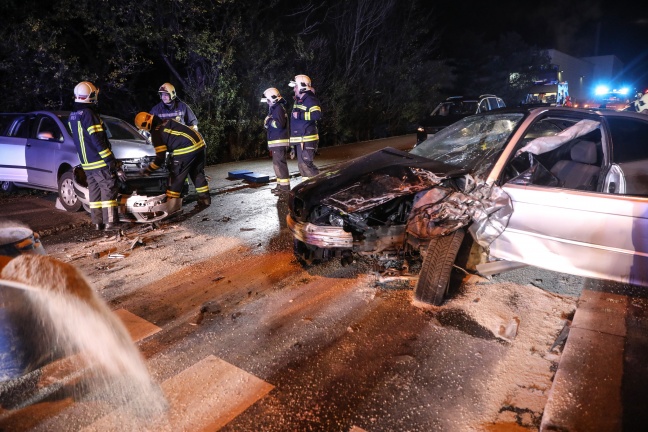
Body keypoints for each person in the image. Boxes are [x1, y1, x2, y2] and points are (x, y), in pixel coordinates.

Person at [68, 81, 125, 231]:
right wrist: (110, 159)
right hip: (98, 161)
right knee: (108, 188)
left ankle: (97, 222)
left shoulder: (73, 116)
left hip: (86, 163)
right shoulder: (88, 114)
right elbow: (97, 140)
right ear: (91, 96)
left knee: (95, 192)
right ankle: (111, 223)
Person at [134, 112, 210, 210]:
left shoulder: (156, 133)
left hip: (186, 148)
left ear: (145, 126)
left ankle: (171, 207)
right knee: (197, 173)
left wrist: (148, 170)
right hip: (200, 144)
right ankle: (205, 199)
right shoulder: (167, 122)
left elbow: (160, 158)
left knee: (176, 178)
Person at [289, 74, 321, 180]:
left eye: (296, 87)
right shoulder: (298, 101)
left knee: (306, 166)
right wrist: (293, 146)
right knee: (303, 167)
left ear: (302, 87)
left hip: (307, 138)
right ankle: (307, 190)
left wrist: (300, 115)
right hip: (301, 139)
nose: (294, 89)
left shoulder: (310, 100)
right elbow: (295, 124)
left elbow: (317, 115)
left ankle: (321, 184)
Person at [262, 87, 291, 195]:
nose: (267, 103)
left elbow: (279, 124)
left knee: (280, 165)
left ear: (272, 99)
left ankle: (285, 188)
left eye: (268, 101)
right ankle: (280, 186)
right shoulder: (274, 109)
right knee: (277, 165)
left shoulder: (278, 108)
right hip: (276, 142)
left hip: (279, 142)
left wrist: (269, 121)